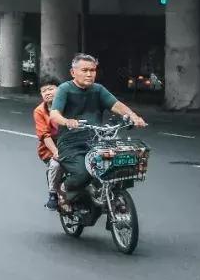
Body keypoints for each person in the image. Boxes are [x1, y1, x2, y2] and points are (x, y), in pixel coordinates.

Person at [49, 54, 146, 210]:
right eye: (85, 70)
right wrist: (67, 121)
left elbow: (117, 105)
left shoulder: (98, 89)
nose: (89, 74)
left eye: (93, 70)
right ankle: (63, 189)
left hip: (96, 140)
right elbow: (54, 114)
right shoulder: (65, 89)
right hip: (71, 143)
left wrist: (133, 116)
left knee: (120, 166)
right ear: (73, 72)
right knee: (84, 173)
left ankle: (112, 198)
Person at [33, 78, 63, 210]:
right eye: (44, 91)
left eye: (51, 89)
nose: (47, 93)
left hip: (72, 143)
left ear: (59, 90)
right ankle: (53, 195)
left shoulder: (68, 105)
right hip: (49, 149)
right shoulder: (39, 111)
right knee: (56, 164)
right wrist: (56, 152)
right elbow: (44, 135)